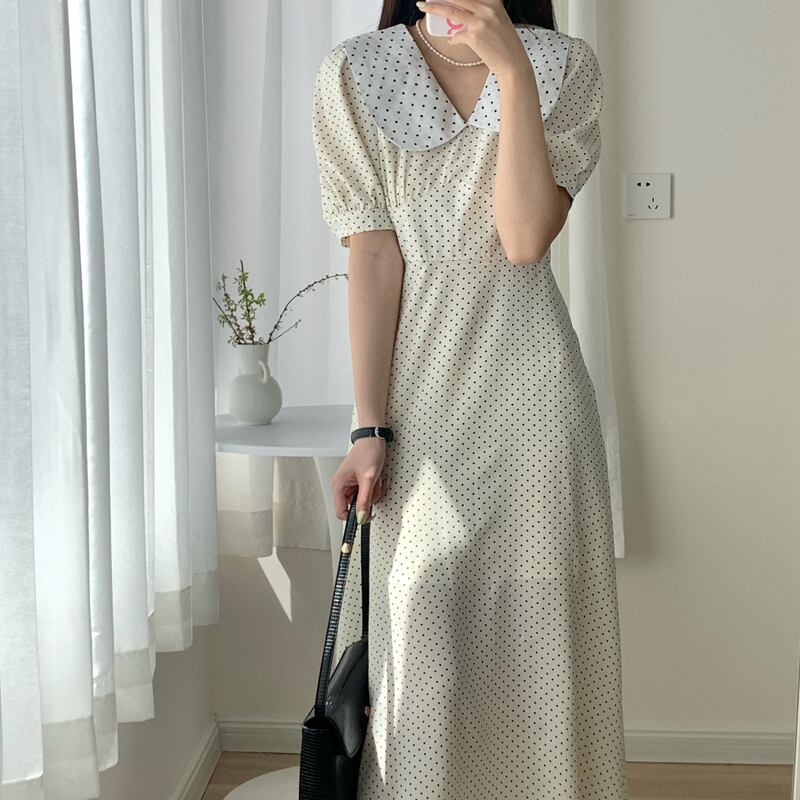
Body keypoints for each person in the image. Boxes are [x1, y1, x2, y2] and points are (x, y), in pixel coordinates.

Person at [311, 0, 629, 797]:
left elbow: (524, 239)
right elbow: (374, 257)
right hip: (417, 400)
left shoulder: (564, 66)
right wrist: (368, 426)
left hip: (537, 401)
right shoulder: (354, 72)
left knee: (542, 638)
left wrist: (513, 70)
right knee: (418, 645)